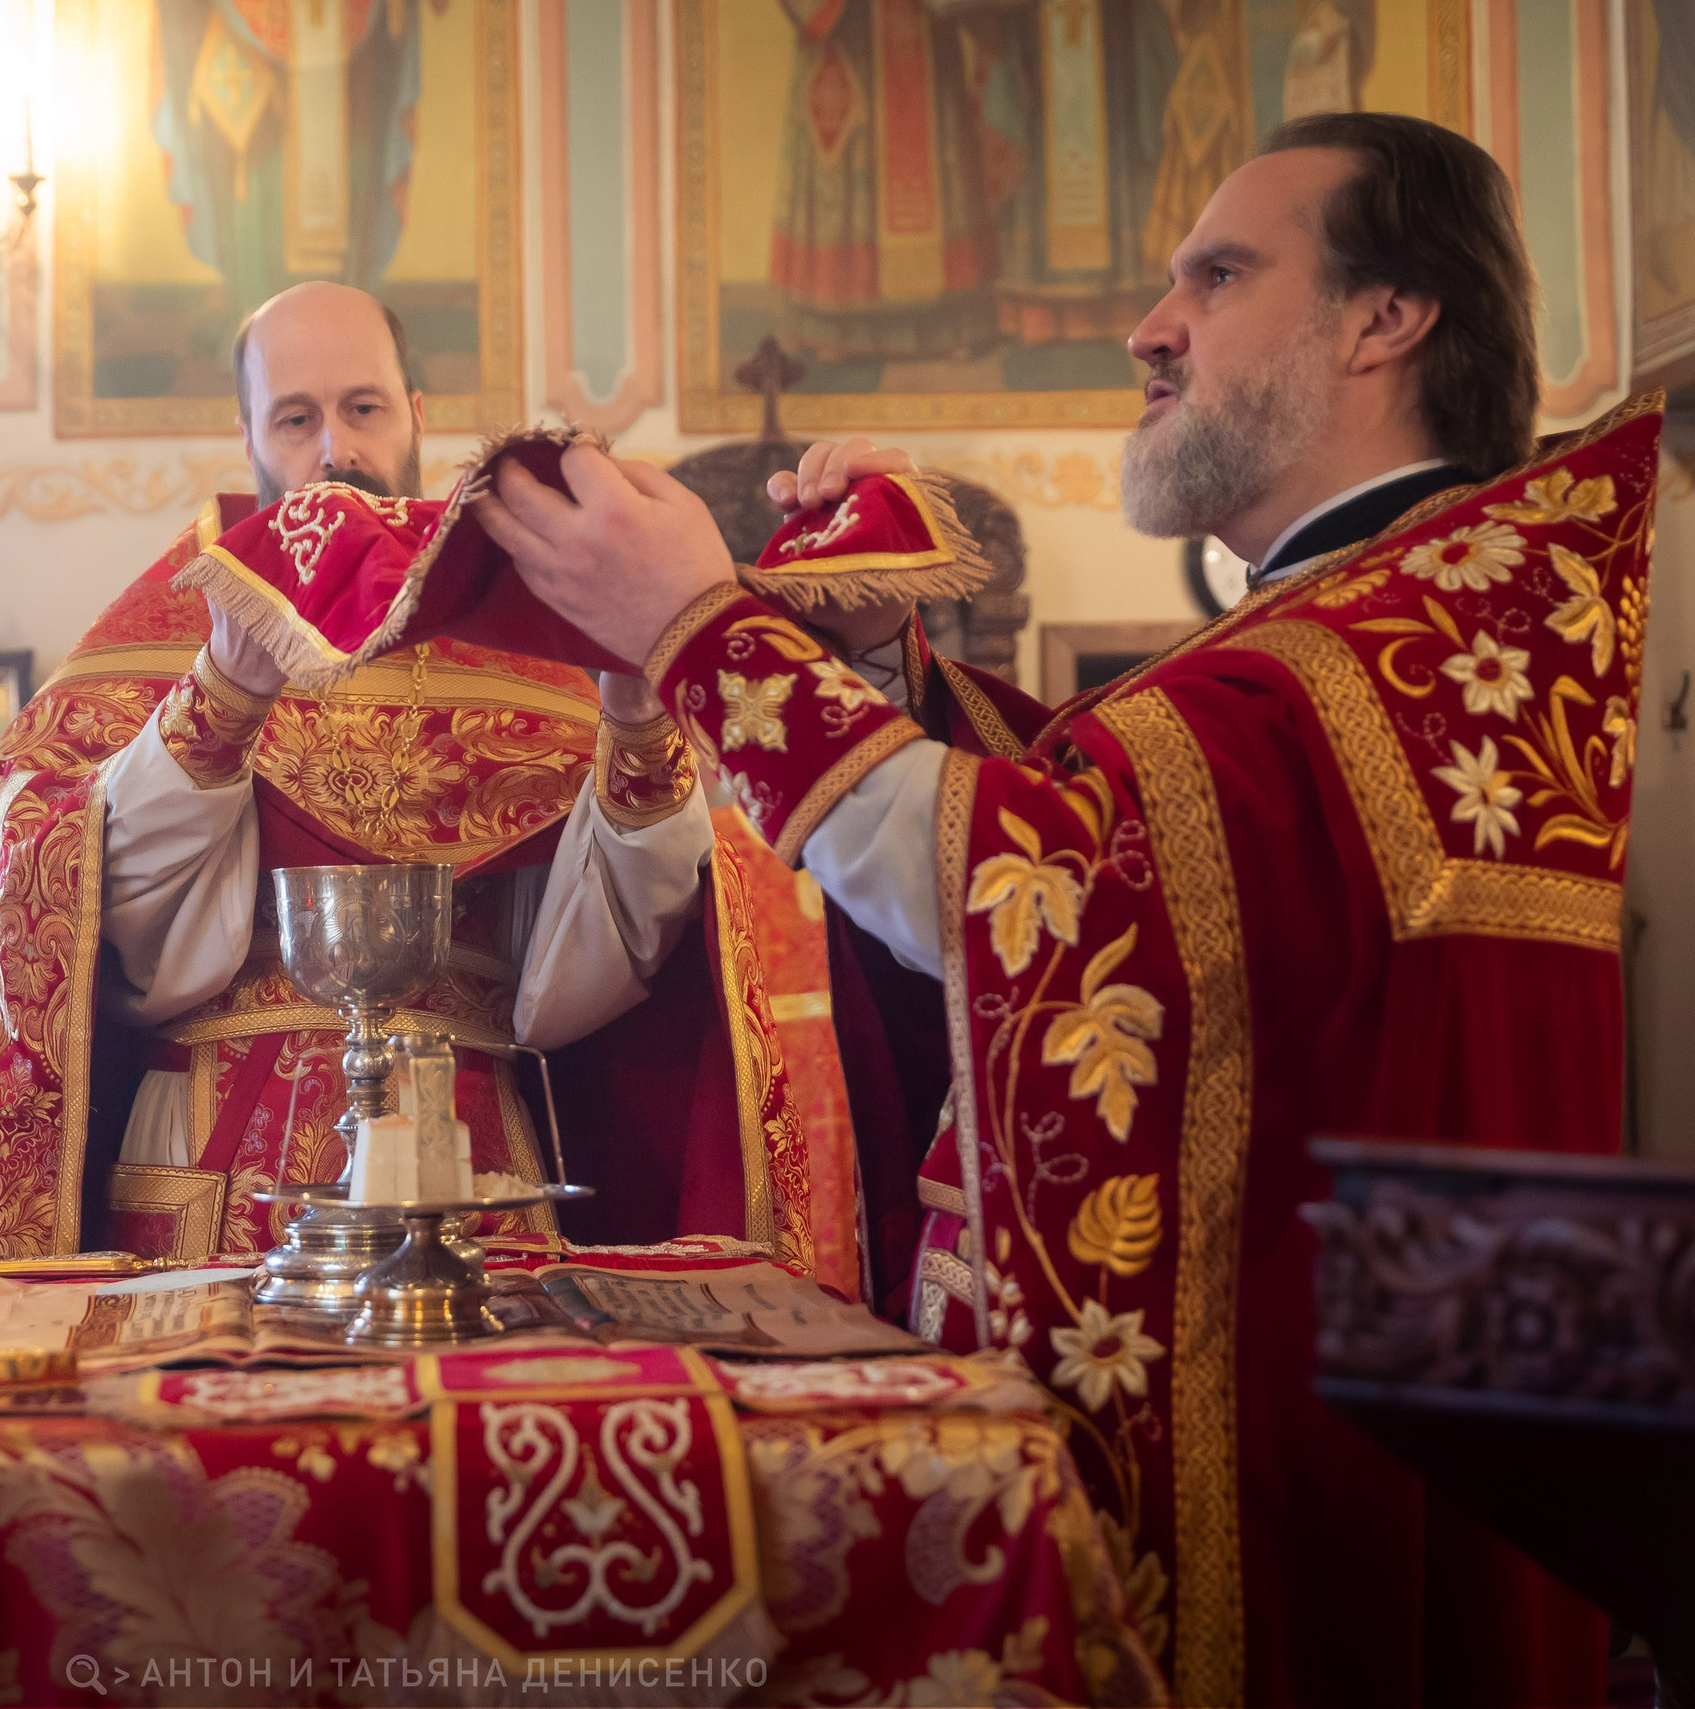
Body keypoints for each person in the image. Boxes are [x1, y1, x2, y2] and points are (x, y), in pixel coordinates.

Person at [476, 112, 1655, 1706]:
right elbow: (1124, 835)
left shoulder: (1378, 643)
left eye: (1218, 277)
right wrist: (880, 661)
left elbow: (1031, 889)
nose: (1145, 329)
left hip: (1311, 1466)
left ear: (1388, 319)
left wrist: (696, 628)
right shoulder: (1405, 618)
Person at [0, 282, 859, 1275]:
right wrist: (222, 696)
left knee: (468, 1431)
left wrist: (632, 715)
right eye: (295, 417)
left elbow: (604, 959)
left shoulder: (535, 632)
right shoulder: (172, 626)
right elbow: (54, 889)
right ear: (248, 436)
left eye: (362, 408)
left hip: (472, 1159)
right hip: (210, 1171)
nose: (332, 450)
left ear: (417, 415)